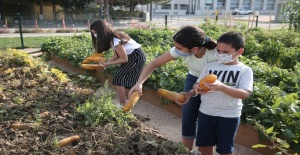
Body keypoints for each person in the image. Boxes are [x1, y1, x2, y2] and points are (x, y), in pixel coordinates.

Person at [128, 25, 218, 151]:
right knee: (188, 116)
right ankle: (186, 151)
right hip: (193, 77)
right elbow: (154, 63)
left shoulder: (216, 53)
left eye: (179, 48)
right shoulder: (181, 49)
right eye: (175, 46)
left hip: (214, 81)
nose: (176, 50)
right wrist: (139, 83)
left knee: (207, 117)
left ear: (194, 49)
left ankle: (205, 150)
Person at [189, 31, 253, 155]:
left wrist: (222, 87)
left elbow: (244, 94)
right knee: (204, 146)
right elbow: (196, 83)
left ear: (239, 52)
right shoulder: (209, 66)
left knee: (225, 149)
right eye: (218, 51)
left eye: (226, 52)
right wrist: (197, 87)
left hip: (229, 115)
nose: (220, 54)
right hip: (206, 112)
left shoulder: (244, 70)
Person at [90, 19, 146, 107]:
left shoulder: (115, 39)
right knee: (126, 81)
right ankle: (128, 105)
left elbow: (124, 59)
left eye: (95, 32)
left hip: (136, 57)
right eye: (93, 32)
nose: (94, 35)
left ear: (101, 31)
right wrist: (106, 64)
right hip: (133, 56)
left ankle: (123, 104)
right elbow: (117, 55)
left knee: (118, 78)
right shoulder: (112, 39)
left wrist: (107, 64)